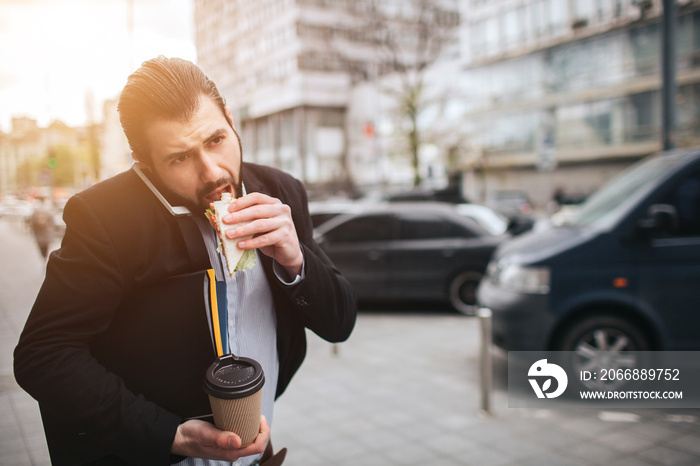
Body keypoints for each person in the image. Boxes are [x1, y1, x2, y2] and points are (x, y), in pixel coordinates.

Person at [14, 56, 357, 465]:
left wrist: (296, 261)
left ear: (230, 119)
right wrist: (169, 435)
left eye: (216, 140)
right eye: (179, 158)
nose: (212, 172)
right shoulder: (105, 217)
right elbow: (43, 354)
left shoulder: (281, 190)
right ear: (145, 164)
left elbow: (340, 323)